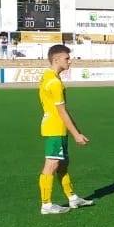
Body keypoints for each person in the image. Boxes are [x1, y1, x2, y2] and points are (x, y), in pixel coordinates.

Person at [38, 44, 93, 215]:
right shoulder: (54, 82)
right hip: (55, 128)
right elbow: (61, 111)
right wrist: (76, 134)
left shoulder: (48, 76)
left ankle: (72, 197)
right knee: (52, 164)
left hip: (56, 127)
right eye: (67, 58)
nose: (70, 61)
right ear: (56, 59)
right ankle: (46, 205)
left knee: (62, 164)